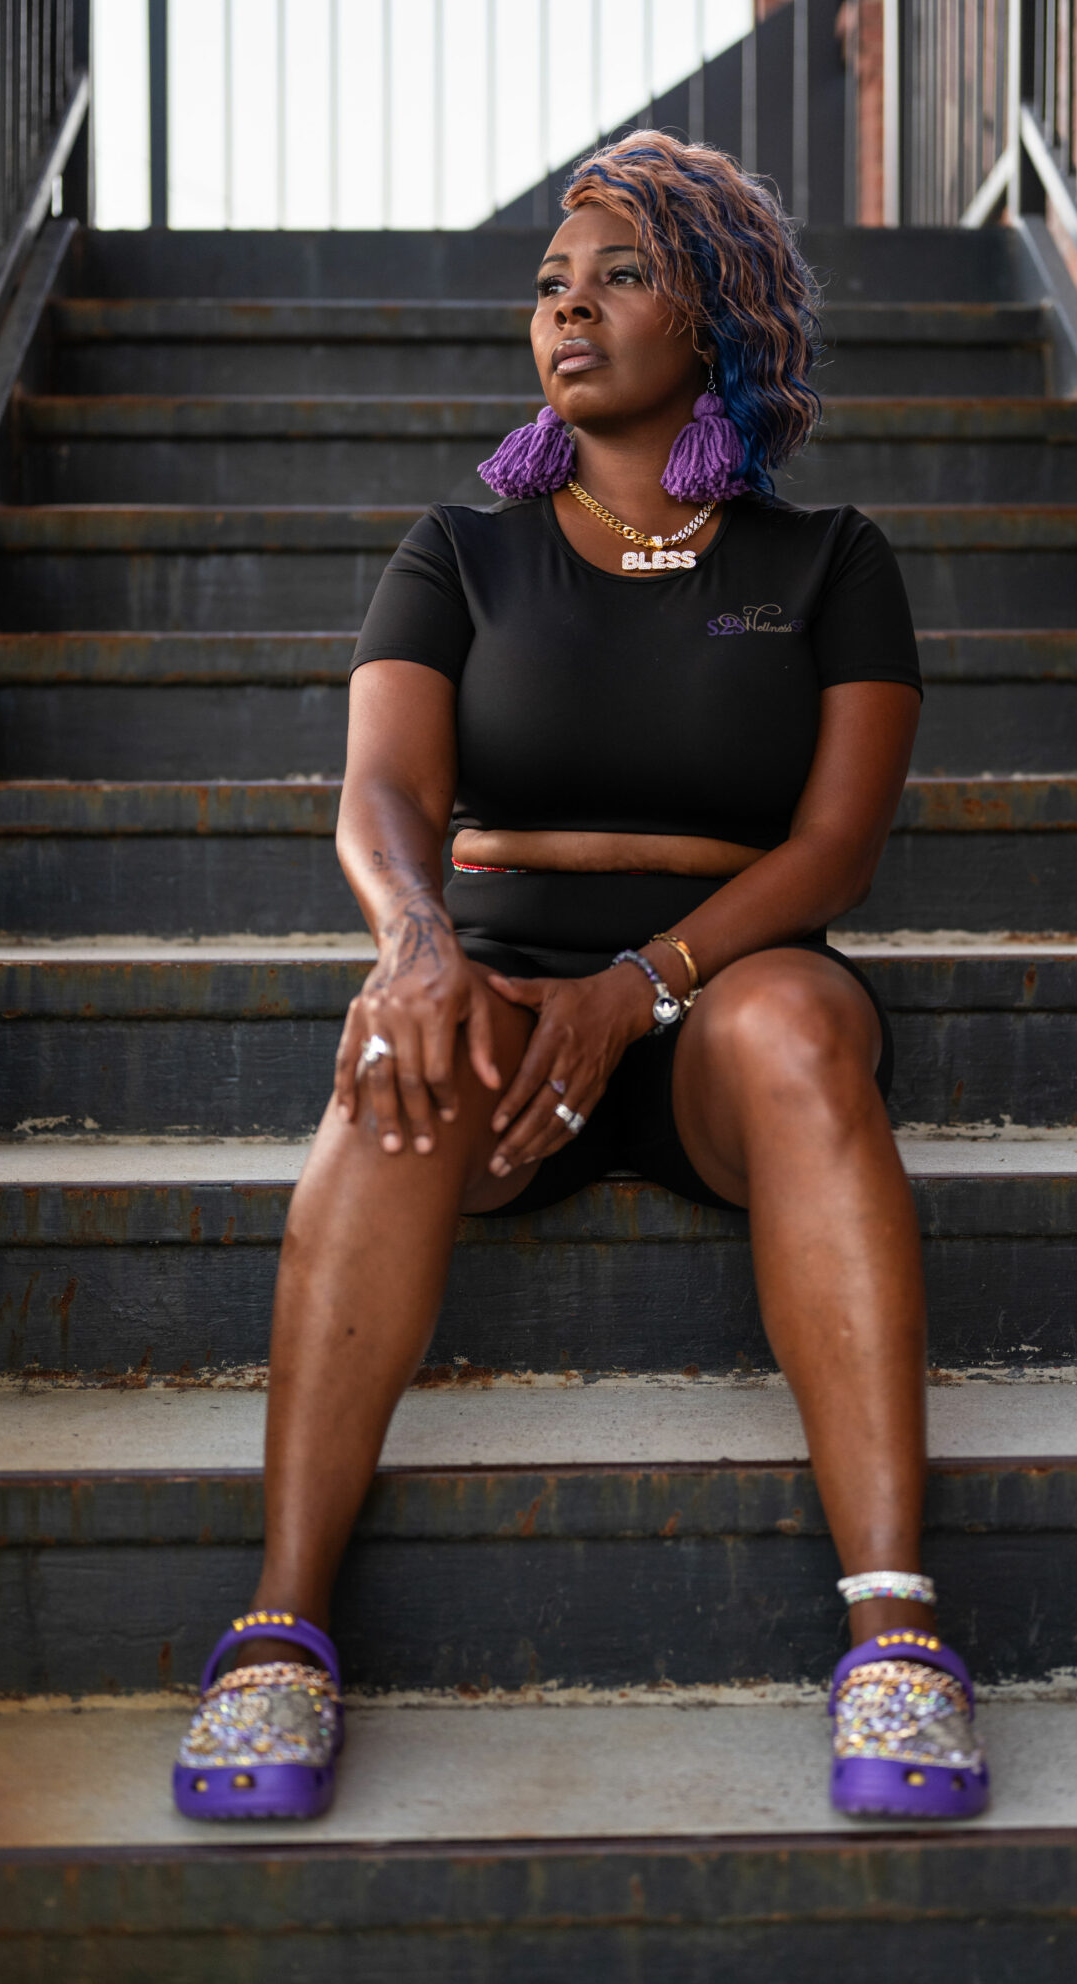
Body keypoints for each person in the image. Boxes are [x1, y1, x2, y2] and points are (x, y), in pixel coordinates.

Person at [172, 130, 988, 1825]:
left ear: (716, 316)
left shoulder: (826, 562)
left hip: (722, 989)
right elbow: (382, 796)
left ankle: (894, 1628)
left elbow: (835, 851)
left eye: (620, 276)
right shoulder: (458, 554)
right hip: (501, 979)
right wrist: (416, 948)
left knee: (800, 1027)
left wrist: (642, 983)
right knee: (393, 1059)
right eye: (552, 283)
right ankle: (280, 1622)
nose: (569, 308)